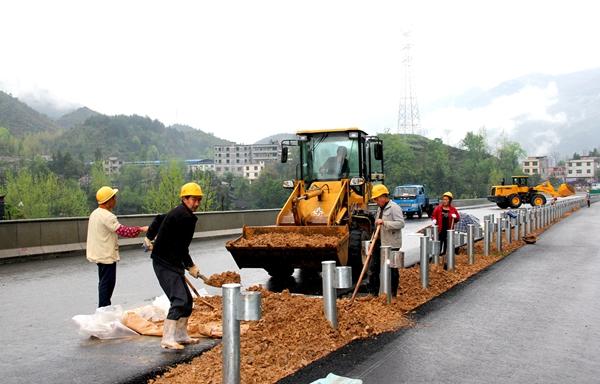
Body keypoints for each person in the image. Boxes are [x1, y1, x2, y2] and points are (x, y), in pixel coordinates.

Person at [151, 182, 204, 350]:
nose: (196, 204)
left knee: (187, 301)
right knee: (179, 300)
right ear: (184, 199)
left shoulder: (180, 212)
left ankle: (181, 335)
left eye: (198, 200)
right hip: (164, 263)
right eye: (193, 200)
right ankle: (167, 338)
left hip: (172, 262)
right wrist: (191, 265)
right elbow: (182, 247)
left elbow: (159, 218)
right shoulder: (184, 217)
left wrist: (150, 236)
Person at [86, 186, 148, 308]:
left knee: (103, 282)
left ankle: (104, 308)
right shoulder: (107, 216)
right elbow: (123, 231)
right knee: (107, 284)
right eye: (114, 198)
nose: (115, 200)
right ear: (108, 201)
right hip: (106, 255)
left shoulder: (95, 213)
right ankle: (104, 309)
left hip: (98, 253)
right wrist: (141, 229)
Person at [367, 184, 405, 296]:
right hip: (379, 242)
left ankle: (393, 294)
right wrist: (371, 242)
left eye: (376, 199)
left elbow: (400, 223)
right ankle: (373, 293)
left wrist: (385, 223)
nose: (375, 201)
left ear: (383, 196)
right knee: (374, 267)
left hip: (391, 243)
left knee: (392, 268)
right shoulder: (380, 209)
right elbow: (376, 227)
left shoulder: (394, 207)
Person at [431, 192, 460, 261]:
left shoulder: (453, 209)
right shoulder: (438, 208)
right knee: (438, 246)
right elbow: (433, 216)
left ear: (450, 200)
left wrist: (455, 217)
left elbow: (457, 219)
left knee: (447, 247)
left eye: (446, 199)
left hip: (449, 231)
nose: (445, 201)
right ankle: (436, 261)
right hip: (440, 231)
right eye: (444, 199)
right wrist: (434, 220)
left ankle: (446, 261)